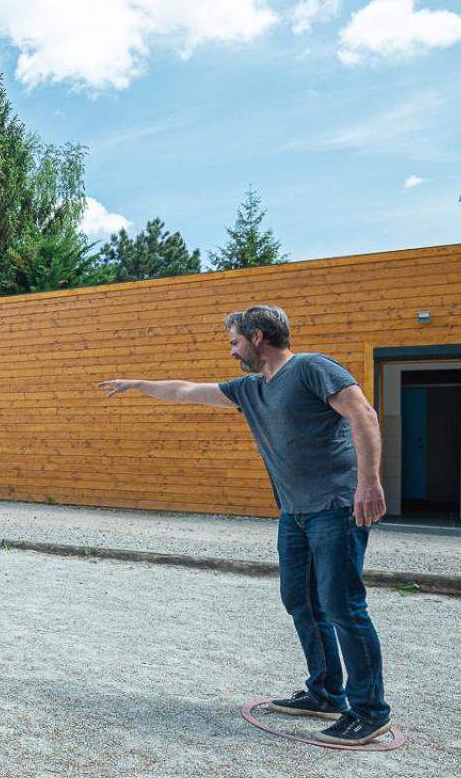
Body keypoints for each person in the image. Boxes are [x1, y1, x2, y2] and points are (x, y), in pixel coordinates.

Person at [97, 304, 393, 745]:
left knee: (342, 605)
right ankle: (327, 692)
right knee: (300, 600)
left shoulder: (312, 368)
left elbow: (362, 415)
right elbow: (184, 391)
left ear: (258, 337)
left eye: (234, 342)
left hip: (335, 505)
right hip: (294, 512)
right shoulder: (251, 389)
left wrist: (368, 482)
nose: (232, 352)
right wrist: (136, 384)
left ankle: (369, 711)